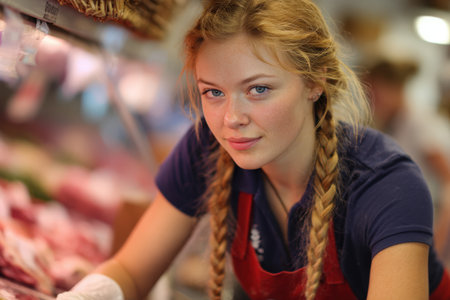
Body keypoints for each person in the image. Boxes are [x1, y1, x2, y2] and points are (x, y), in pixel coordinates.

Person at [57, 0, 450, 299]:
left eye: (258, 89)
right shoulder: (207, 150)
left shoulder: (387, 186)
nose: (232, 118)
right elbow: (129, 271)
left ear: (316, 83)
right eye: (213, 92)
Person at [363, 57, 450, 265]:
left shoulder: (419, 124)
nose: (372, 100)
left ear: (394, 88)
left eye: (375, 92)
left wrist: (436, 246)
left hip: (436, 222)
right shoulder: (395, 123)